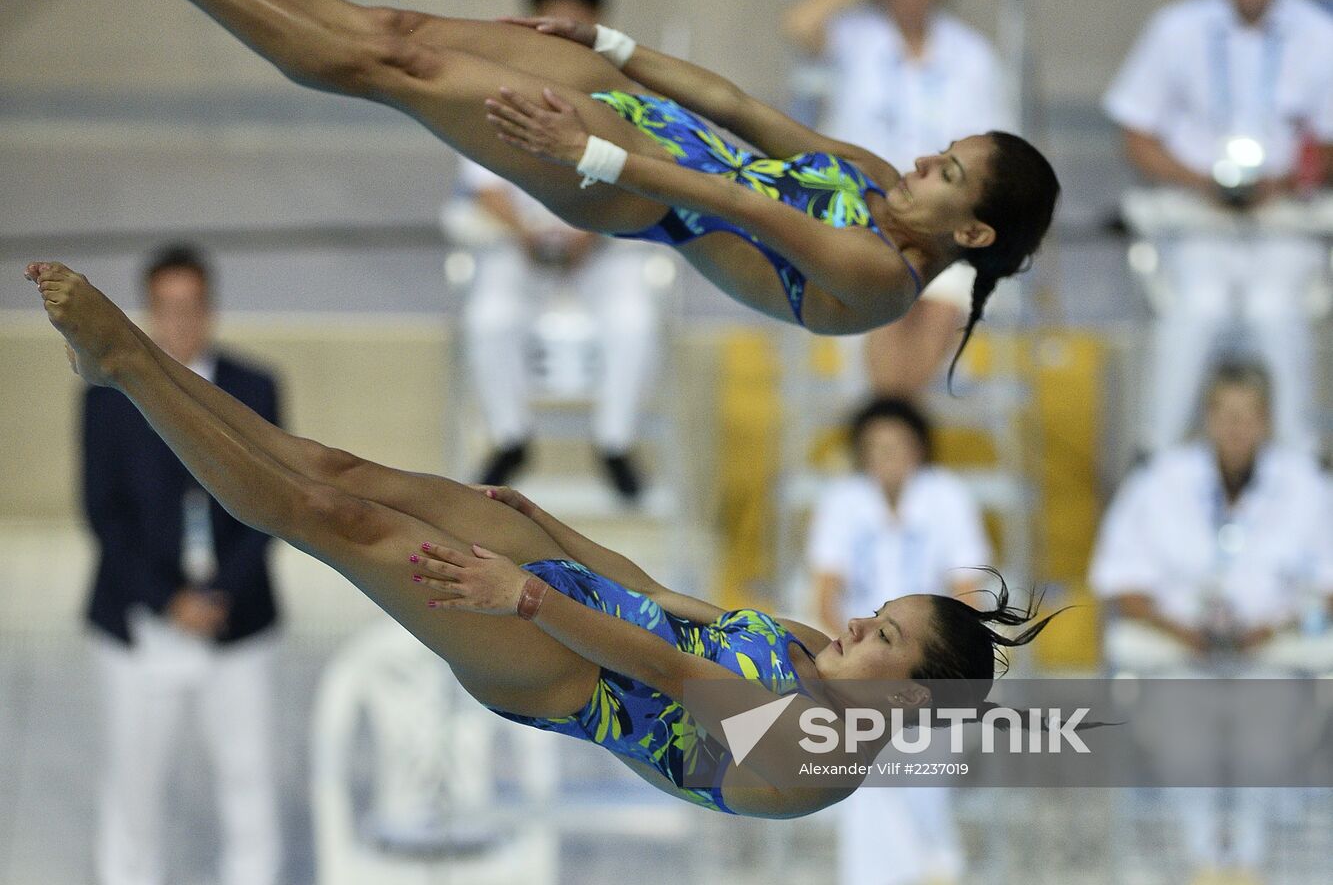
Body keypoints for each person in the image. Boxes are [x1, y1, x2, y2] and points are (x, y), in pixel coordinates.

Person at [29, 259, 1057, 819]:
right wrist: (547, 528)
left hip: (559, 670)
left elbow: (655, 662)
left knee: (331, 521)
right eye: (877, 614)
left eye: (881, 637)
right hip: (582, 598)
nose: (856, 624)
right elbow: (666, 602)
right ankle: (138, 373)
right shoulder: (804, 644)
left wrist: (517, 592)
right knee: (337, 468)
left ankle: (129, 370)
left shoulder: (809, 760)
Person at [54, 0, 1058, 373]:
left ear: (968, 232)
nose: (926, 160)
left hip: (633, 185)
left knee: (391, 72)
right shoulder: (881, 177)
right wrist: (614, 47)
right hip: (659, 128)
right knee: (392, 28)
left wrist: (596, 151)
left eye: (949, 171)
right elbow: (747, 117)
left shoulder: (882, 282)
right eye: (946, 147)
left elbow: (732, 197)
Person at [81, 247, 282, 885]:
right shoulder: (106, 395)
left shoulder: (255, 388)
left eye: (191, 307)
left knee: (248, 781)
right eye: (165, 309)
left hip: (237, 622)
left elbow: (278, 504)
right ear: (147, 314)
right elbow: (103, 515)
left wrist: (220, 593)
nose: (179, 323)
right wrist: (171, 601)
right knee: (134, 790)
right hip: (141, 626)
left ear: (210, 309)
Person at [1088, 360, 1333, 881]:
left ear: (1267, 420)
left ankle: (1249, 862)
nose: (1236, 427)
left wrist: (1275, 628)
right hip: (1181, 651)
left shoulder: (1306, 485)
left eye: (1248, 414)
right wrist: (1183, 633)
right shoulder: (1159, 482)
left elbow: (1329, 589)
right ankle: (1203, 862)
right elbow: (1118, 580)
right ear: (1206, 418)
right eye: (1224, 413)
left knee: (1263, 747)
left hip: (1271, 651)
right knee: (1186, 749)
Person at [1102, 0, 1333, 451]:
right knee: (1196, 307)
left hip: (1282, 217)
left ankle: (1302, 460)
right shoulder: (1177, 28)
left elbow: (1326, 143)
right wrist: (1198, 180)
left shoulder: (1317, 32)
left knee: (1276, 312)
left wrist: (1283, 183)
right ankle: (1156, 451)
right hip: (1199, 213)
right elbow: (1136, 132)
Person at [784, 0, 1014, 394]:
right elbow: (799, 23)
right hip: (862, 214)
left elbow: (996, 156)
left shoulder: (971, 55)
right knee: (885, 297)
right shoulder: (857, 39)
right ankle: (897, 429)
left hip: (942, 223)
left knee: (939, 304)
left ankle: (889, 423)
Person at [446, 0, 659, 496]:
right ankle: (510, 436)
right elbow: (482, 183)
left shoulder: (626, 93)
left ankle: (614, 440)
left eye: (575, 22)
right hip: (524, 245)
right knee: (490, 317)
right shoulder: (496, 86)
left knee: (634, 319)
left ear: (596, 24)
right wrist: (523, 233)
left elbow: (647, 180)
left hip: (603, 245)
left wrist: (595, 231)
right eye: (551, 20)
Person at [807, 397, 992, 885]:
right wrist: (851, 656)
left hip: (928, 657)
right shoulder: (843, 500)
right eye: (875, 448)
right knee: (866, 751)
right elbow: (826, 594)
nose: (887, 457)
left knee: (884, 746)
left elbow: (967, 592)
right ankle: (936, 861)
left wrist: (945, 662)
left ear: (919, 450)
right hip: (866, 654)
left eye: (897, 446)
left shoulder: (947, 495)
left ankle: (914, 865)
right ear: (862, 454)